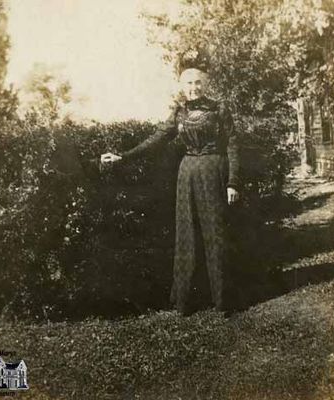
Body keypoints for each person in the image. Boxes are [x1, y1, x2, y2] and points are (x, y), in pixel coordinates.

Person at [101, 58, 240, 316]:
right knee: (187, 234)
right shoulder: (180, 112)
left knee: (215, 234)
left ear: (206, 84)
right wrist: (124, 155)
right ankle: (185, 301)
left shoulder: (219, 109)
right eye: (188, 83)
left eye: (198, 82)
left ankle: (224, 302)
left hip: (213, 172)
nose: (193, 87)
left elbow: (232, 144)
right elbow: (156, 139)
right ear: (181, 86)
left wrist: (233, 182)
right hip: (186, 174)